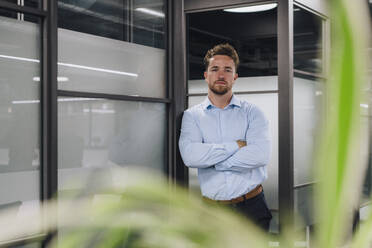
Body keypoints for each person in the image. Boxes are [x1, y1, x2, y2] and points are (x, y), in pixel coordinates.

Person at [179, 43, 272, 231]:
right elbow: (191, 157)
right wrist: (236, 146)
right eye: (215, 69)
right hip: (212, 212)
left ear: (235, 77)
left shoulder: (253, 113)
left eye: (227, 70)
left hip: (251, 208)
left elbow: (260, 155)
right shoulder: (192, 116)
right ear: (206, 75)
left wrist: (214, 162)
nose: (221, 75)